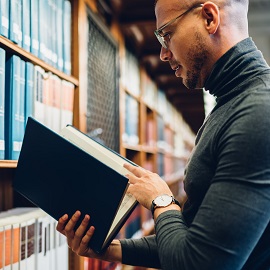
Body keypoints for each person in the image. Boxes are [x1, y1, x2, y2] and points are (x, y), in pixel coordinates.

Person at [56, 0, 270, 269]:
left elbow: (201, 263)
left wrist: (161, 201)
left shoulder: (258, 112)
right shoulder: (230, 105)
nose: (163, 54)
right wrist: (108, 249)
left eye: (166, 34)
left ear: (209, 18)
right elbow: (191, 242)